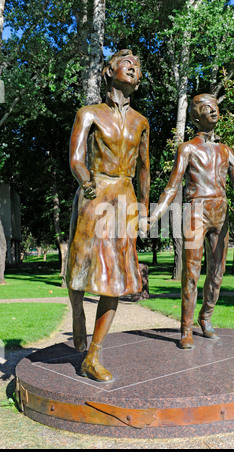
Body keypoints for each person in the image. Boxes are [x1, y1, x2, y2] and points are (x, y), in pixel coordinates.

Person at [149, 93, 234, 350]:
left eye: (215, 107)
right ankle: (186, 329)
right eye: (206, 107)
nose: (213, 111)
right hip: (195, 210)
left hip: (220, 211)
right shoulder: (187, 148)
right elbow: (172, 186)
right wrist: (155, 214)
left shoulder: (226, 150)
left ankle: (206, 317)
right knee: (191, 272)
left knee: (218, 272)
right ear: (195, 116)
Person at [66, 50, 150, 381]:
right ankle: (76, 314)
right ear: (108, 70)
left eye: (138, 67)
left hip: (125, 197)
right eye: (127, 63)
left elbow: (144, 167)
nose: (134, 68)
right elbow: (75, 158)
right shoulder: (89, 113)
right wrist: (86, 182)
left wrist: (143, 205)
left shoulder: (141, 122)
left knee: (115, 278)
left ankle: (94, 354)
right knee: (80, 263)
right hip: (94, 191)